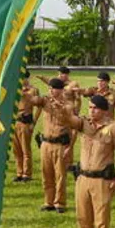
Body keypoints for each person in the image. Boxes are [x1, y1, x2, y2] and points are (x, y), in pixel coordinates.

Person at [58, 94, 115, 228]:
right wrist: (63, 107)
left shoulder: (113, 128)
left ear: (104, 110)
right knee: (83, 218)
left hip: (102, 181)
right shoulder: (84, 123)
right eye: (89, 107)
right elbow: (68, 119)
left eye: (94, 108)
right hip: (83, 178)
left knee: (101, 221)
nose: (91, 110)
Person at [29, 78, 73, 213]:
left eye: (53, 88)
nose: (50, 91)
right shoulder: (45, 101)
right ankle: (48, 201)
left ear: (60, 90)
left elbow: (73, 125)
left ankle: (60, 203)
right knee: (46, 174)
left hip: (60, 144)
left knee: (60, 175)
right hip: (46, 143)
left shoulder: (68, 105)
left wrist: (70, 147)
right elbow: (34, 101)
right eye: (49, 88)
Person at [37, 66, 82, 170]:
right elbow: (49, 82)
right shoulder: (56, 83)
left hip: (69, 110)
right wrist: (41, 77)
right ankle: (61, 160)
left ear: (68, 74)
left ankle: (68, 162)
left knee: (68, 137)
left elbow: (78, 99)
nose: (62, 75)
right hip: (56, 111)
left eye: (64, 74)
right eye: (60, 73)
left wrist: (76, 112)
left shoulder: (73, 84)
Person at [11, 70, 40, 182]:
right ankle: (19, 172)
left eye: (24, 78)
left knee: (25, 149)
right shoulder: (15, 89)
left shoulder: (33, 91)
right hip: (15, 122)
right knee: (16, 150)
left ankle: (27, 174)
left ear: (28, 78)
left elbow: (39, 107)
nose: (22, 80)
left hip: (25, 122)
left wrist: (34, 122)